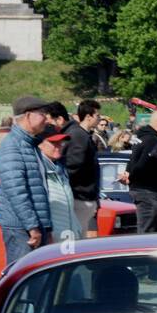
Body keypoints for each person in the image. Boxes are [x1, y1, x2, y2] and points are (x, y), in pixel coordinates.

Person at [0, 96, 54, 265]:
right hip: (22, 228)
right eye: (43, 113)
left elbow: (38, 189)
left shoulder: (29, 145)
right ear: (28, 115)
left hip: (33, 225)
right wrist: (32, 227)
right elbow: (16, 191)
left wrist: (45, 226)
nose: (47, 118)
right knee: (23, 279)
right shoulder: (12, 146)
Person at [125, 110, 157, 233]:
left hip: (145, 190)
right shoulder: (153, 141)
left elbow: (132, 159)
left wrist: (129, 173)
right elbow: (141, 165)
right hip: (147, 191)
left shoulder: (141, 137)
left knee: (153, 232)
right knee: (147, 233)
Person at [65, 99, 103, 238]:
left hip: (85, 196)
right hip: (80, 197)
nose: (99, 119)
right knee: (77, 239)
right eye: (97, 116)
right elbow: (74, 166)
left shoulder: (83, 136)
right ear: (88, 116)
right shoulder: (79, 136)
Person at [37, 127, 79, 244]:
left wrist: (76, 228)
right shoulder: (38, 171)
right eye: (53, 142)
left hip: (68, 237)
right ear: (40, 144)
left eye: (60, 142)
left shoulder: (61, 169)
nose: (59, 146)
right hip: (52, 240)